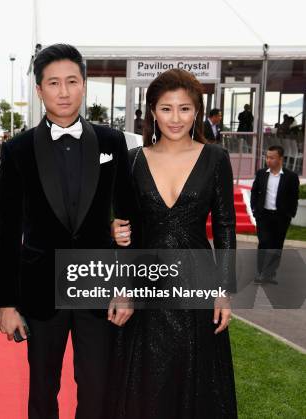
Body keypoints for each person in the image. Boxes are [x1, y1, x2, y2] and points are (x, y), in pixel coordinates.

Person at [0, 44, 135, 419]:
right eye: (53, 83)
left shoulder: (112, 143)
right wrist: (5, 303)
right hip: (40, 289)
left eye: (72, 81)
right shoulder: (16, 150)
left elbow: (128, 220)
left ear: (84, 86)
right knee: (42, 390)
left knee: (97, 388)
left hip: (98, 285)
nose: (63, 91)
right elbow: (5, 231)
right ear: (39, 90)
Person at [112, 68, 237, 418]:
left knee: (197, 380)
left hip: (197, 285)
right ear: (152, 111)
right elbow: (125, 230)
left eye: (184, 108)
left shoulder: (216, 159)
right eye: (166, 108)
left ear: (197, 111)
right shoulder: (134, 160)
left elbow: (225, 227)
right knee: (146, 382)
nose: (175, 118)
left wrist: (224, 289)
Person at [250, 145, 300, 284]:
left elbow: (293, 197)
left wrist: (290, 214)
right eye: (267, 157)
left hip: (281, 217)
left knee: (277, 246)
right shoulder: (261, 174)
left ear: (280, 159)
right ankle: (261, 273)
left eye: (272, 157)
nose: (268, 160)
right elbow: (254, 192)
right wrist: (254, 209)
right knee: (264, 243)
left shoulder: (291, 177)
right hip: (263, 215)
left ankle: (270, 274)